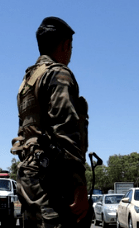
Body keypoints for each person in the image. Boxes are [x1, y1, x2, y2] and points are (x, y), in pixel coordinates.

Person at [10, 16, 90, 228]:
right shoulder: (58, 74)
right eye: (70, 47)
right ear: (65, 45)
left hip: (29, 178)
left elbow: (25, 132)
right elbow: (66, 130)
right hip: (54, 181)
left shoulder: (27, 82)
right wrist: (78, 185)